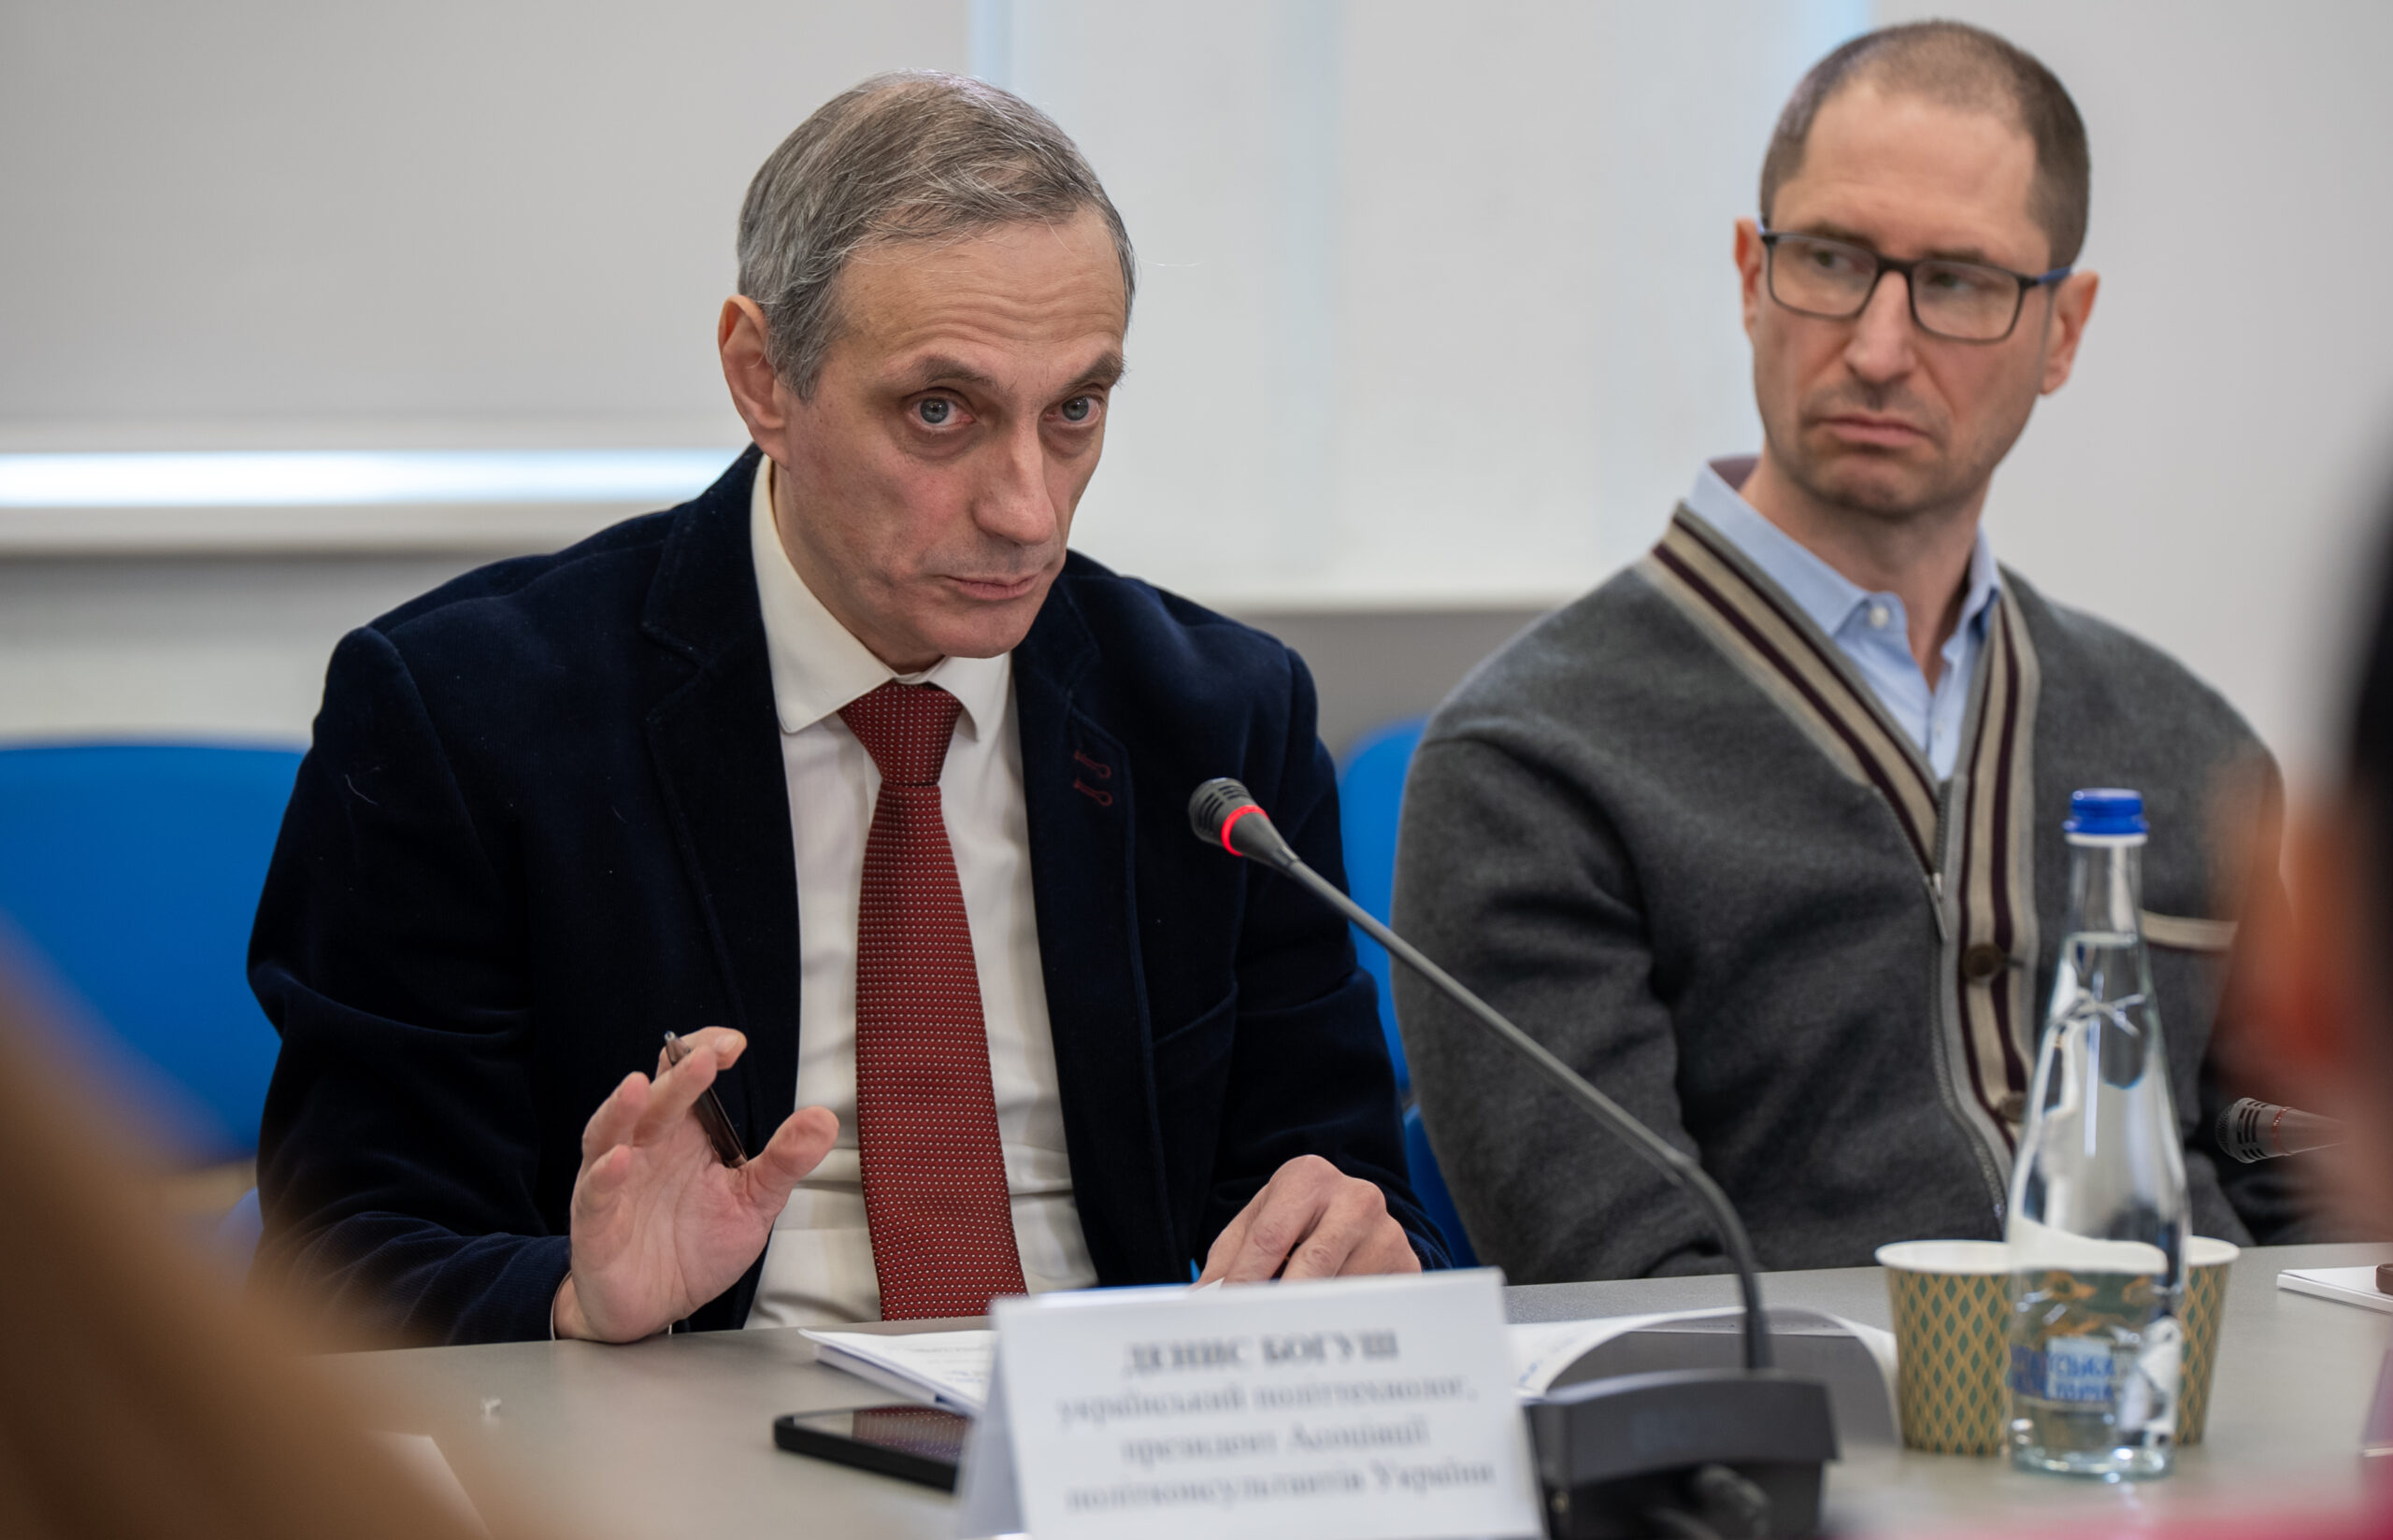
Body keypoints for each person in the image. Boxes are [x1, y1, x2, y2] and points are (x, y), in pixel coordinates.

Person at [251, 71, 1440, 1347]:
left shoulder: (1217, 724)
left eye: (1074, 411)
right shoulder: (467, 714)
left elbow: (1350, 1202)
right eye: (940, 411)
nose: (1028, 510)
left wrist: (1362, 1254)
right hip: (676, 1422)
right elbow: (343, 1254)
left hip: (1112, 1422)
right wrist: (569, 1300)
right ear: (763, 377)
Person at [1395, 21, 2311, 1282]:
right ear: (1749, 275)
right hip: (1811, 1406)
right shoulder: (1527, 766)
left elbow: (2324, 1217)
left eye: (1961, 282)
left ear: (2064, 329)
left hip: (2216, 1396)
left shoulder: (2192, 747)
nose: (1879, 349)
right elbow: (1631, 1288)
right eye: (1829, 260)